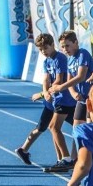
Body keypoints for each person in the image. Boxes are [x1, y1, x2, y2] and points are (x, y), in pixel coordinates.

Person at [33, 33, 77, 173]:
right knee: (75, 127)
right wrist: (45, 91)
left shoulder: (60, 58)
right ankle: (61, 160)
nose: (44, 52)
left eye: (46, 48)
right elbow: (46, 79)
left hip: (64, 98)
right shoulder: (46, 61)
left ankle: (66, 158)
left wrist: (44, 93)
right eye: (41, 50)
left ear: (52, 45)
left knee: (54, 127)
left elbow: (59, 79)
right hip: (57, 99)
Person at [50, 31, 93, 155]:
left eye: (67, 45)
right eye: (63, 47)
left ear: (76, 42)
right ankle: (74, 158)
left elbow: (81, 76)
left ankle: (92, 156)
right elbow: (70, 80)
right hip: (81, 99)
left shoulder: (83, 54)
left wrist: (60, 88)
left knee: (90, 129)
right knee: (77, 130)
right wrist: (73, 92)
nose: (65, 49)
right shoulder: (69, 60)